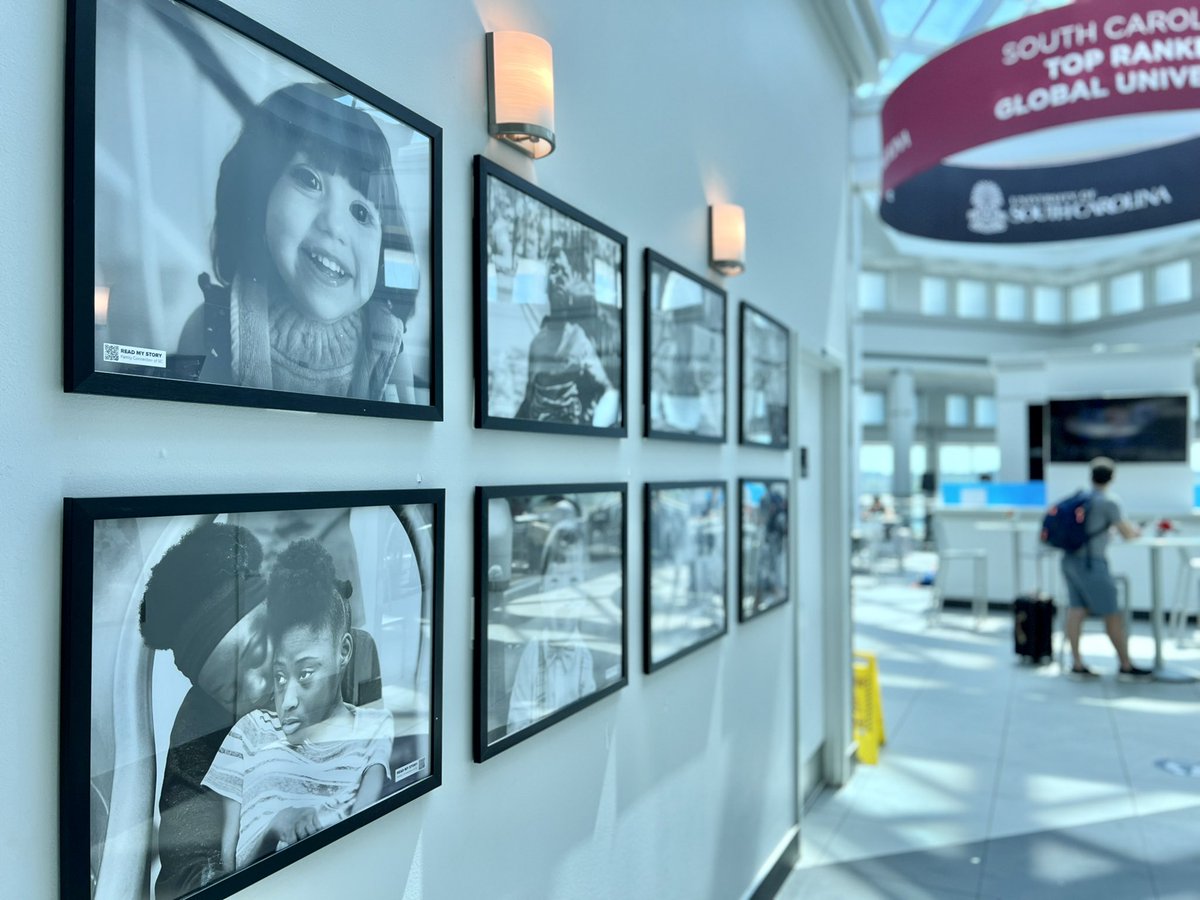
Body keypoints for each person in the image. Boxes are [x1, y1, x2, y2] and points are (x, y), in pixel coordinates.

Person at [139, 522, 381, 899]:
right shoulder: (199, 727)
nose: (255, 688)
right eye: (230, 691)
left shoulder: (353, 657)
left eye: (257, 652)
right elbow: (185, 875)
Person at [179, 82, 417, 402]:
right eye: (310, 180)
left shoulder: (388, 349)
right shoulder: (210, 326)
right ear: (258, 195)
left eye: (361, 212)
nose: (334, 226)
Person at [203, 539, 392, 873]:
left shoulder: (373, 726)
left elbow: (367, 830)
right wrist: (276, 827)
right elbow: (230, 867)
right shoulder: (248, 732)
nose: (287, 701)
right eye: (279, 676)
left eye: (306, 674)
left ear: (344, 651)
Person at [1061, 457, 1152, 680]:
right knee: (1112, 614)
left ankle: (1077, 663)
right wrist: (1136, 532)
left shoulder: (1081, 498)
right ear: (1112, 478)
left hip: (1069, 561)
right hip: (1092, 563)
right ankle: (1126, 664)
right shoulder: (1109, 502)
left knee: (1076, 610)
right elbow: (1128, 534)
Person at [515, 246, 618, 426]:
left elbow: (607, 390)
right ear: (545, 283)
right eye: (554, 270)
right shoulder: (536, 343)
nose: (559, 277)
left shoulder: (580, 339)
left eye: (564, 271)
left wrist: (591, 425)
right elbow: (528, 398)